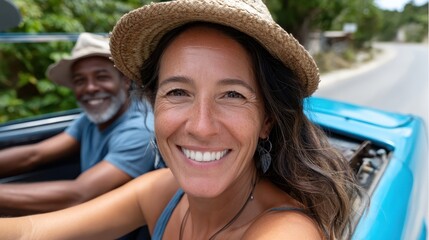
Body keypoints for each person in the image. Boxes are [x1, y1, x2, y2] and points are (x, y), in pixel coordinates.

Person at [0, 1, 367, 240]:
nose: (201, 126)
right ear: (152, 105)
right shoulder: (161, 190)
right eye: (177, 92)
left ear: (267, 120)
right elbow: (26, 231)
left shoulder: (286, 232)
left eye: (233, 95)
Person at [0, 33, 157, 217]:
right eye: (80, 80)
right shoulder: (91, 119)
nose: (90, 88)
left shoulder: (140, 130)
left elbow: (78, 194)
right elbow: (35, 154)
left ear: (125, 81)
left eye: (101, 77)